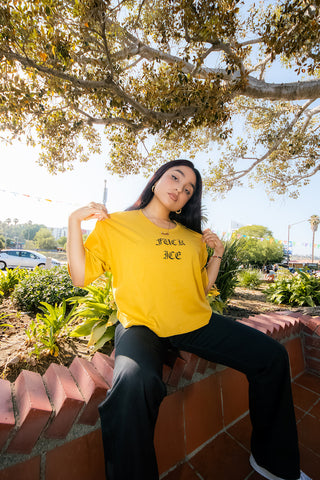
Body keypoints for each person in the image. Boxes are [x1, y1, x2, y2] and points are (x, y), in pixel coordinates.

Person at [67, 159, 310, 480]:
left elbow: (201, 287)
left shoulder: (192, 239)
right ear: (155, 181)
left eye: (188, 189)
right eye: (175, 178)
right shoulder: (116, 225)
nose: (179, 189)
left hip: (195, 322)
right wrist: (74, 221)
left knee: (272, 356)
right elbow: (81, 276)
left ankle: (272, 461)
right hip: (142, 325)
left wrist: (218, 253)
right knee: (133, 384)